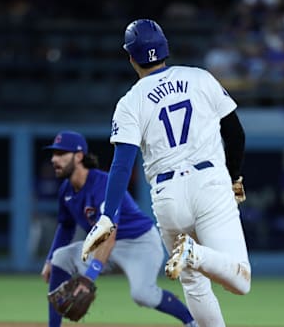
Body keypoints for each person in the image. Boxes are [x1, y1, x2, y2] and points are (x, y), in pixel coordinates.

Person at [82, 19, 251, 327]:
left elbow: (122, 164)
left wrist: (108, 216)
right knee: (240, 281)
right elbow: (236, 134)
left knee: (194, 285)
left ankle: (191, 255)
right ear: (165, 49)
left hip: (167, 197)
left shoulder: (130, 101)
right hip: (210, 184)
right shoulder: (199, 78)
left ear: (131, 57)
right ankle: (195, 254)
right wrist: (235, 176)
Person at [40, 130, 198, 327]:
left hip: (139, 244)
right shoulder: (66, 190)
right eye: (54, 154)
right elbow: (66, 226)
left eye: (61, 154)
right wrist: (50, 260)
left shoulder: (103, 184)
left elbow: (109, 234)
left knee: (143, 295)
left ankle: (192, 321)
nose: (55, 159)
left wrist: (89, 279)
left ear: (79, 156)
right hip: (104, 246)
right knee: (60, 257)